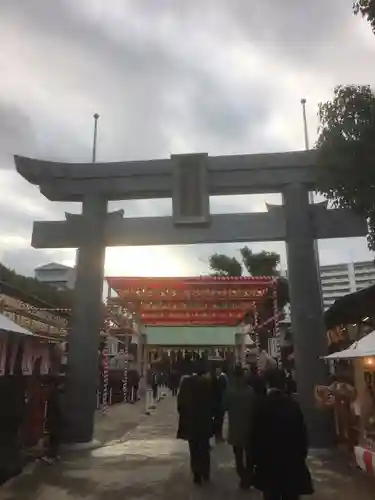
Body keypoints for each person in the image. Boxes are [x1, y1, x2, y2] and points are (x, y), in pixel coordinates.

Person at [252, 369, 313, 500]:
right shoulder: (293, 406)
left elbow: (254, 437)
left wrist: (255, 461)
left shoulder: (260, 406)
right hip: (291, 464)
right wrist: (301, 457)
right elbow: (302, 435)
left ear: (267, 384)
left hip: (268, 465)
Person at [177, 363, 214, 486]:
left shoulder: (186, 383)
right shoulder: (207, 383)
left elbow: (180, 402)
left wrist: (184, 415)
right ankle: (205, 472)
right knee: (204, 447)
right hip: (204, 420)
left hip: (191, 421)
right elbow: (212, 402)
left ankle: (196, 474)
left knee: (193, 448)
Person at [222, 364, 256, 490]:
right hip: (249, 427)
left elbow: (223, 406)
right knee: (250, 454)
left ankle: (243, 476)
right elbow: (256, 407)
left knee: (238, 454)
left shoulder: (230, 391)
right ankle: (248, 475)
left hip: (235, 428)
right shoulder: (250, 391)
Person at [42, 377, 64, 464]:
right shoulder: (59, 394)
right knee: (55, 439)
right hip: (56, 420)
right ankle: (54, 455)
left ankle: (51, 456)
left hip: (53, 420)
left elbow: (54, 409)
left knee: (53, 439)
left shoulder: (54, 395)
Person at [211, 366, 227, 442]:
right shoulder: (214, 378)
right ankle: (217, 434)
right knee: (218, 419)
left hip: (219, 401)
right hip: (215, 401)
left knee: (219, 419)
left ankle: (218, 435)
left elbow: (224, 390)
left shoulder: (222, 378)